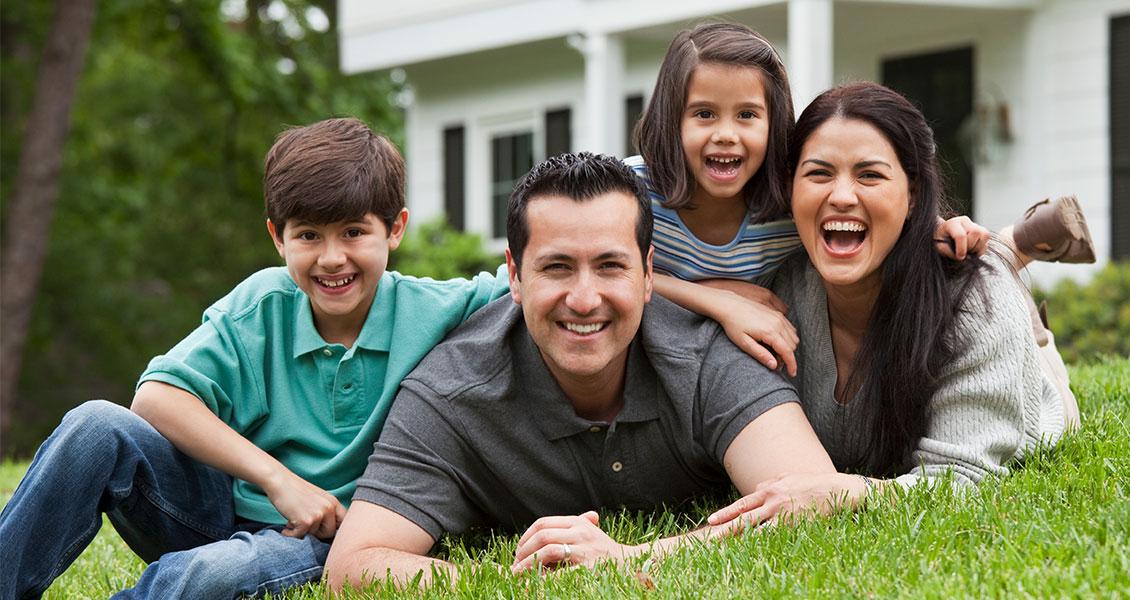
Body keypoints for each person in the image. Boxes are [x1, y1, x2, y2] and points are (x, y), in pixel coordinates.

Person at [0, 118, 509, 599]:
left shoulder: (435, 308)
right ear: (277, 237)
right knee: (93, 426)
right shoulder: (262, 304)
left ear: (395, 229)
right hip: (219, 507)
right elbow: (156, 398)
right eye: (308, 235)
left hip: (327, 537)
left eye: (354, 232)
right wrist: (278, 481)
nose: (332, 258)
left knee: (206, 574)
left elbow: (528, 278)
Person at [323, 152, 837, 591]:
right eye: (557, 267)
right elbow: (352, 566)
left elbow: (817, 500)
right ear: (515, 276)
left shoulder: (705, 356)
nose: (585, 299)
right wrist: (523, 583)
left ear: (648, 273)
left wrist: (629, 560)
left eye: (610, 266)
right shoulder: (452, 391)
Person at [688, 82, 1081, 531]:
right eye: (818, 174)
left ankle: (1009, 256)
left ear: (912, 194)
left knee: (992, 281)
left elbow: (962, 480)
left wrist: (846, 492)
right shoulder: (780, 285)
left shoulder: (977, 305)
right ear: (790, 189)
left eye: (870, 176)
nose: (841, 196)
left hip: (1028, 382)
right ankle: (1011, 244)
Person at [629, 22, 1093, 375]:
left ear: (775, 123)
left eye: (747, 115)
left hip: (745, 344)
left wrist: (941, 225)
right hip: (684, 344)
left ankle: (1016, 246)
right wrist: (717, 298)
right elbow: (612, 277)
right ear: (672, 118)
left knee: (962, 262)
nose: (726, 135)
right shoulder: (633, 191)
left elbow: (872, 213)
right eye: (704, 114)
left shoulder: (784, 198)